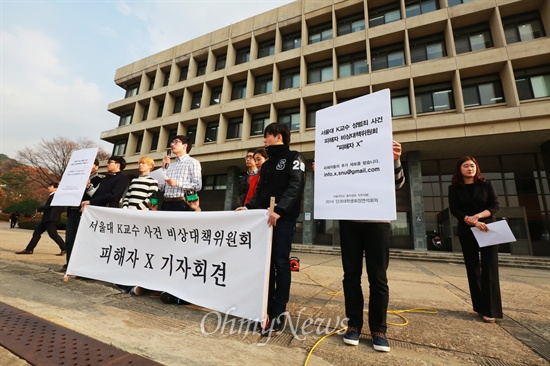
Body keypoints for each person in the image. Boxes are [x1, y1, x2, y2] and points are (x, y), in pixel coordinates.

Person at [237, 123, 306, 335]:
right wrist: (247, 207)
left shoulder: (295, 158)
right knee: (264, 265)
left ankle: (278, 311)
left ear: (277, 136)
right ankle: (263, 309)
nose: (264, 140)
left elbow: (296, 187)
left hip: (282, 219)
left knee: (280, 262)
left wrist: (281, 210)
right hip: (263, 220)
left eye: (266, 136)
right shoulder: (266, 165)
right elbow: (259, 193)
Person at [340, 141, 405, 352]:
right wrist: (323, 172)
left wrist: (395, 159)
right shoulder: (344, 157)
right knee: (351, 276)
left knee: (377, 278)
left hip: (377, 225)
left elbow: (398, 184)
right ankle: (353, 325)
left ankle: (378, 329)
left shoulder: (382, 156)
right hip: (349, 223)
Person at [448, 156, 501, 323]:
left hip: (488, 229)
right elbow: (454, 209)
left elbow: (494, 206)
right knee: (473, 268)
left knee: (490, 267)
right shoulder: (454, 188)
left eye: (472, 166)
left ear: (476, 168)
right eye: (466, 166)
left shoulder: (486, 184)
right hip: (467, 229)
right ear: (460, 169)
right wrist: (470, 221)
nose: (470, 169)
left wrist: (477, 218)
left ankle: (490, 310)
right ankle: (479, 307)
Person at [59, 159, 102, 272]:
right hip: (73, 210)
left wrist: (88, 187)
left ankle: (80, 266)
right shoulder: (76, 178)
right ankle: (69, 264)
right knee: (70, 240)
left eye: (91, 164)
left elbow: (97, 197)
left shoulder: (99, 180)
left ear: (96, 167)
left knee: (83, 241)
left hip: (85, 213)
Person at [16, 182, 67, 256]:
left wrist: (40, 208)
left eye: (50, 186)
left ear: (55, 188)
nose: (48, 187)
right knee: (37, 233)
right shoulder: (55, 196)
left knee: (53, 234)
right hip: (47, 218)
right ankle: (29, 249)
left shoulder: (56, 196)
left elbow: (51, 206)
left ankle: (64, 248)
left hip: (50, 218)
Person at [159, 135, 202, 212]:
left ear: (185, 146)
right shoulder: (170, 166)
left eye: (176, 142)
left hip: (182, 203)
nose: (172, 144)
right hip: (166, 203)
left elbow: (198, 185)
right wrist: (163, 168)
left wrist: (177, 183)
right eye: (172, 142)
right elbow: (161, 187)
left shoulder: (193, 162)